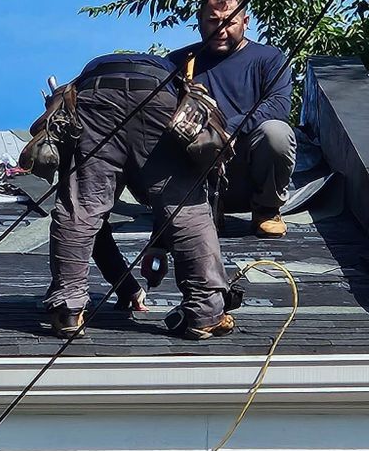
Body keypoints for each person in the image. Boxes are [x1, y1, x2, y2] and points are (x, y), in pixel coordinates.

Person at [44, 52, 234, 340]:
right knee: (186, 208)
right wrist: (130, 285)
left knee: (81, 208)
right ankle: (205, 313)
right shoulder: (171, 77)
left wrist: (127, 285)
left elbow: (92, 226)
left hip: (96, 98)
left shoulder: (90, 83)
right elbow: (176, 214)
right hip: (157, 97)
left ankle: (67, 311)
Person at [168, 0, 296, 238]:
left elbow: (279, 106)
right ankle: (200, 211)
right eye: (212, 21)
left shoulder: (268, 59)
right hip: (195, 176)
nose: (220, 29)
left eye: (229, 22)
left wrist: (228, 129)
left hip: (246, 170)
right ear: (200, 21)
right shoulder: (178, 62)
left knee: (277, 133)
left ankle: (267, 210)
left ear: (245, 21)